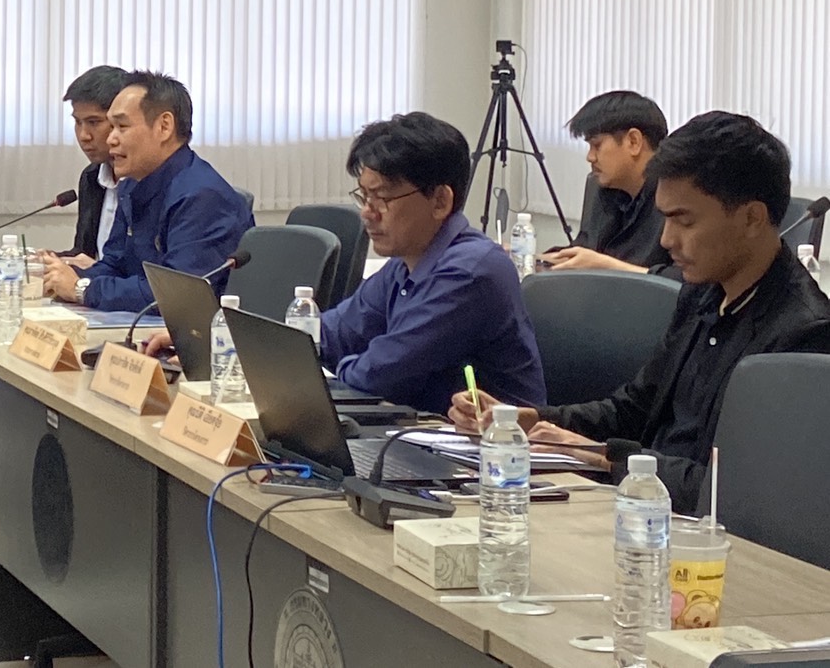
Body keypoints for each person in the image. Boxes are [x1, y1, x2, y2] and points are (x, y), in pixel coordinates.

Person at [451, 111, 830, 512]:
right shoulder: (701, 295)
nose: (666, 240)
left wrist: (607, 458)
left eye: (684, 221)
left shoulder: (805, 334)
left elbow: (741, 492)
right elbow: (633, 409)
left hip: (699, 533)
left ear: (752, 218)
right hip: (640, 507)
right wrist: (532, 419)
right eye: (664, 219)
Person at [311, 112, 546, 415]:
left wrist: (338, 367)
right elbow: (332, 334)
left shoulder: (471, 272)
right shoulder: (405, 263)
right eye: (364, 197)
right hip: (420, 431)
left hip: (489, 441)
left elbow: (379, 376)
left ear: (439, 202)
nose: (367, 213)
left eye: (381, 197)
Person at [42, 71, 253, 312]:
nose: (111, 139)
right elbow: (114, 265)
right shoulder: (132, 184)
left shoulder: (203, 197)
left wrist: (83, 289)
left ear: (164, 127)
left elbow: (175, 294)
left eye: (121, 126)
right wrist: (61, 277)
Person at [541, 90, 672, 273]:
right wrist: (528, 257)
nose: (590, 157)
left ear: (633, 142)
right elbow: (583, 252)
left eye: (597, 145)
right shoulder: (601, 186)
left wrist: (608, 266)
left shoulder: (677, 196)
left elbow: (685, 282)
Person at [58, 65, 132, 267]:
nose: (84, 135)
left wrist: (94, 272)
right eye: (78, 122)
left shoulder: (145, 180)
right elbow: (85, 254)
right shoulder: (91, 177)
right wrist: (49, 260)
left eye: (93, 122)